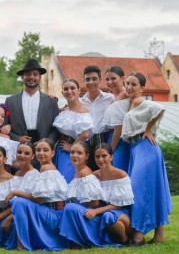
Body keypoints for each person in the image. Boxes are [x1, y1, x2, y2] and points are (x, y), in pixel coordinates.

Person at [121, 72, 172, 246]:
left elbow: (159, 108)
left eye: (134, 84)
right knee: (153, 188)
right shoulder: (130, 102)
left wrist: (149, 128)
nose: (129, 87)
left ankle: (138, 234)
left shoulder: (139, 101)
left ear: (142, 88)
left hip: (145, 148)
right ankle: (159, 235)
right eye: (127, 83)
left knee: (140, 190)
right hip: (139, 149)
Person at [60, 142, 134, 248]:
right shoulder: (94, 175)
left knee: (108, 216)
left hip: (120, 210)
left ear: (111, 157)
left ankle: (124, 240)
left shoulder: (121, 174)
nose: (100, 159)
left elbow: (117, 205)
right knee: (104, 215)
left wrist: (95, 211)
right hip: (102, 209)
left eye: (104, 156)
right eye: (97, 156)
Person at [9, 138, 69, 251]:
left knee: (18, 202)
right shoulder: (45, 168)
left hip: (54, 214)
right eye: (38, 150)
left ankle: (21, 245)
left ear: (52, 153)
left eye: (45, 150)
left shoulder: (46, 168)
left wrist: (15, 192)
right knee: (21, 202)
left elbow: (39, 200)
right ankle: (22, 242)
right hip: (51, 212)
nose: (41, 153)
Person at [4, 58, 60, 170]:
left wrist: (46, 143)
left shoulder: (51, 101)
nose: (31, 77)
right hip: (19, 149)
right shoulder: (10, 101)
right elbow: (4, 126)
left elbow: (56, 128)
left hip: (43, 149)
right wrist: (17, 138)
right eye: (28, 74)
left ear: (39, 77)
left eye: (35, 74)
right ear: (22, 77)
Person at [52, 78, 94, 182]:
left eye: (72, 88)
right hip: (61, 149)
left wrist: (71, 147)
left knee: (67, 178)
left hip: (71, 150)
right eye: (66, 89)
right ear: (62, 92)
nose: (69, 91)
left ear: (79, 90)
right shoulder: (65, 109)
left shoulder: (82, 110)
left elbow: (85, 134)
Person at [81, 65, 114, 171]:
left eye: (94, 79)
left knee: (104, 176)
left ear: (100, 80)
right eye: (87, 79)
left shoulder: (110, 99)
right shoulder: (80, 102)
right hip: (86, 144)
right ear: (84, 81)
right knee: (87, 177)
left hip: (104, 142)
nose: (91, 82)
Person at [102, 66, 131, 171]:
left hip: (119, 140)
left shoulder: (124, 95)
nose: (110, 82)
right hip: (111, 137)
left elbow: (119, 127)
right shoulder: (113, 96)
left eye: (113, 78)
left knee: (117, 169)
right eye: (107, 79)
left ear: (123, 78)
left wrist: (110, 150)